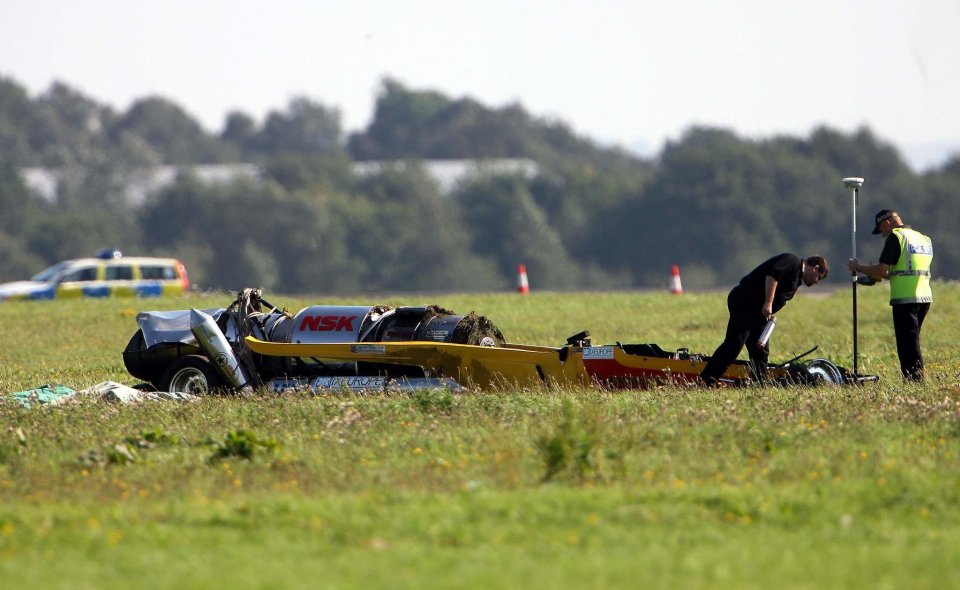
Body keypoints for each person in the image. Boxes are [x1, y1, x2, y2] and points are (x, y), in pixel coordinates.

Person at [699, 254, 829, 386]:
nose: (816, 282)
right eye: (818, 277)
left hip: (758, 313)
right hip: (745, 301)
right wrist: (769, 302)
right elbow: (772, 276)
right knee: (734, 344)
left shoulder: (796, 279)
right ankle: (706, 381)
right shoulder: (792, 262)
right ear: (815, 268)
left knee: (760, 350)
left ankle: (759, 384)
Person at [847, 209, 933, 381]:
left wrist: (859, 267)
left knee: (907, 344)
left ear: (886, 223)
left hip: (905, 298)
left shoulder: (896, 237)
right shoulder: (923, 238)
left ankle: (914, 382)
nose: (882, 235)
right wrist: (876, 277)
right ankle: (915, 379)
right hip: (924, 297)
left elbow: (882, 268)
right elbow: (902, 270)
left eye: (881, 230)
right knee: (912, 340)